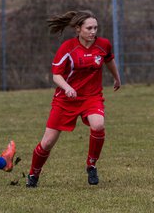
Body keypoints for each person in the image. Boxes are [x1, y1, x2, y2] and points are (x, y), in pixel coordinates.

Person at [26, 10, 121, 187]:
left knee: (98, 125)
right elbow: (56, 75)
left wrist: (117, 77)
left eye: (95, 28)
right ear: (78, 29)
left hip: (91, 97)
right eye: (89, 28)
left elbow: (109, 59)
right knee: (47, 143)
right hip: (65, 100)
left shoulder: (103, 44)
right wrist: (68, 88)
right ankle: (33, 174)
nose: (93, 32)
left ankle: (91, 165)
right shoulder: (68, 48)